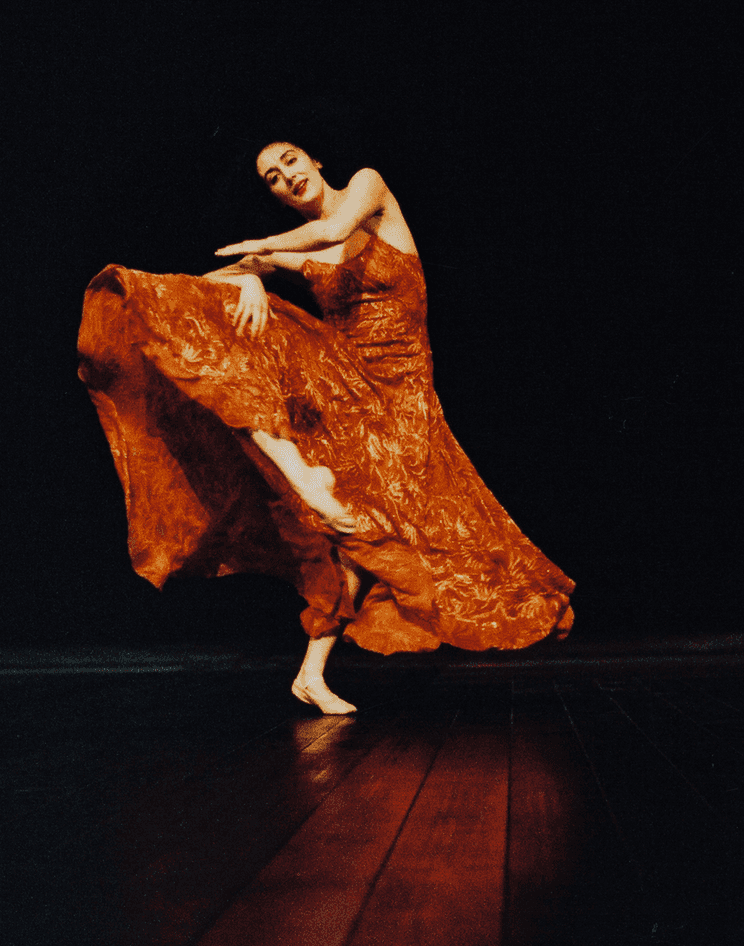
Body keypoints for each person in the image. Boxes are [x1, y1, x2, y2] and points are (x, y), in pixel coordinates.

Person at [77, 143, 574, 714]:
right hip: (342, 381)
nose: (286, 177)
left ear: (314, 162)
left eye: (290, 162)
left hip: (404, 396)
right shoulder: (290, 250)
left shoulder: (369, 189)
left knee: (375, 530)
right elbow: (203, 284)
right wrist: (251, 281)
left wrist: (261, 252)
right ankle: (298, 470)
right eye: (272, 178)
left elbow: (334, 226)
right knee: (252, 335)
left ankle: (310, 675)